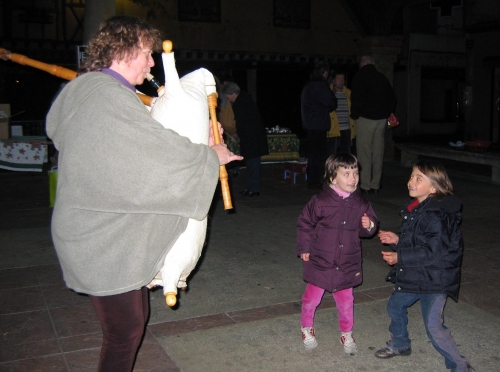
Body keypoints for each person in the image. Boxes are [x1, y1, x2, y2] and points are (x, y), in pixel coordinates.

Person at [45, 16, 241, 372]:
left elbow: (125, 155)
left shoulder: (88, 91)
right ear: (124, 50)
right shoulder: (108, 99)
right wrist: (209, 156)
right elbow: (155, 157)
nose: (152, 62)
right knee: (125, 330)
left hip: (94, 228)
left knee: (134, 317)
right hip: (101, 238)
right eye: (147, 54)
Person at [375, 161, 474, 372]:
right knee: (395, 305)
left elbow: (433, 252)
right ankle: (400, 344)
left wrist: (400, 256)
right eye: (411, 176)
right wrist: (397, 239)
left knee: (434, 326)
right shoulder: (417, 210)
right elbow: (416, 241)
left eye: (419, 179)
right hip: (416, 274)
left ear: (434, 188)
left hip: (436, 279)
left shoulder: (438, 216)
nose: (411, 181)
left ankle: (459, 365)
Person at [296, 152, 378, 354]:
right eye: (346, 174)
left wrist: (369, 225)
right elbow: (305, 223)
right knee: (311, 298)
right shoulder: (320, 201)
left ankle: (346, 332)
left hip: (347, 261)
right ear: (333, 178)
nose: (353, 179)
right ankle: (306, 327)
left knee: (346, 300)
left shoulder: (361, 203)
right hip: (321, 259)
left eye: (355, 173)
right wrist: (305, 247)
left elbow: (369, 229)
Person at [350, 56, 396, 194]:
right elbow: (393, 97)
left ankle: (365, 185)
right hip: (381, 120)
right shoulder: (382, 77)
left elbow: (356, 97)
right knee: (378, 152)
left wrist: (355, 115)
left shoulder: (360, 77)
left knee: (364, 152)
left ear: (363, 63)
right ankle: (375, 184)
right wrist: (387, 112)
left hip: (366, 118)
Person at [222, 81, 269, 196]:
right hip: (251, 137)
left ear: (232, 93)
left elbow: (244, 123)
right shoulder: (244, 99)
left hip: (252, 138)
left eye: (228, 96)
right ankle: (250, 187)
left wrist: (238, 133)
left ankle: (254, 189)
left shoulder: (241, 102)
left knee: (253, 164)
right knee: (250, 164)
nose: (228, 99)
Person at [301, 61, 337, 190]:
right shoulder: (320, 86)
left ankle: (312, 180)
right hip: (318, 124)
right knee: (319, 155)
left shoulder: (308, 86)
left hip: (310, 124)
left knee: (313, 154)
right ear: (325, 73)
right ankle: (315, 182)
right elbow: (332, 103)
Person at [326, 71, 356, 156]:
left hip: (346, 129)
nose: (341, 81)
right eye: (338, 79)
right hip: (333, 130)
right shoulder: (328, 93)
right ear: (333, 80)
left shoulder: (349, 93)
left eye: (342, 79)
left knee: (346, 156)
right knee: (332, 156)